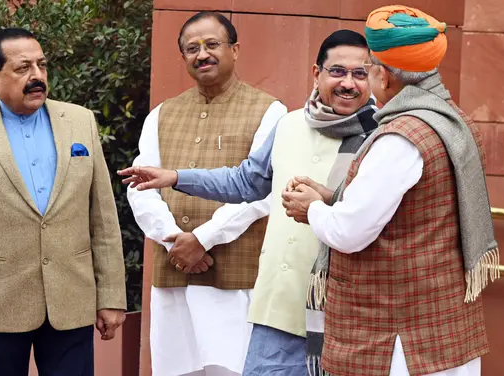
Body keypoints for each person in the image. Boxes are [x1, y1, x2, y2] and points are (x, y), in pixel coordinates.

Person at [119, 30, 378, 375]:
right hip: (278, 309)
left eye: (360, 73)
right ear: (316, 74)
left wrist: (326, 202)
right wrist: (177, 178)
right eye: (337, 72)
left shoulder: (382, 137)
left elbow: (377, 219)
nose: (349, 83)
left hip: (346, 313)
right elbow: (247, 181)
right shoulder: (289, 125)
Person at [281, 5, 498, 376]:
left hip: (398, 344)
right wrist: (333, 197)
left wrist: (313, 209)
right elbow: (413, 208)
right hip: (441, 332)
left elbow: (348, 233)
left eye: (369, 69)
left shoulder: (400, 137)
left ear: (385, 76)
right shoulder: (448, 118)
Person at [0, 28, 126, 376]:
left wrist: (112, 295)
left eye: (42, 65)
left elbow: (102, 216)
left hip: (71, 299)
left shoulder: (79, 121)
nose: (37, 76)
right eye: (23, 67)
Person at [126, 11, 287, 376]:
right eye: (192, 48)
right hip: (174, 274)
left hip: (233, 276)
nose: (202, 54)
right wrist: (174, 242)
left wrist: (203, 238)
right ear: (182, 57)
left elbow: (263, 191)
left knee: (232, 368)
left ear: (235, 49)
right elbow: (141, 185)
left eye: (212, 44)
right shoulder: (161, 114)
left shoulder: (270, 111)